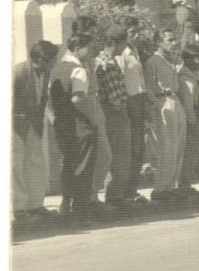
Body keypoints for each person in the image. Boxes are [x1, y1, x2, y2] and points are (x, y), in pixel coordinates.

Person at [50, 33, 101, 216]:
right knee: (84, 166)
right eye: (89, 47)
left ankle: (66, 203)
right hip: (80, 126)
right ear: (78, 48)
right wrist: (91, 120)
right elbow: (78, 98)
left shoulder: (56, 69)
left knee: (68, 164)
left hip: (63, 124)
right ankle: (80, 208)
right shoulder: (78, 70)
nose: (92, 51)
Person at [12, 40, 59, 220]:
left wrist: (51, 118)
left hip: (34, 124)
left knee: (36, 165)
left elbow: (42, 99)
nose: (55, 62)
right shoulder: (18, 72)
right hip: (15, 125)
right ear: (43, 59)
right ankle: (18, 208)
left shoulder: (45, 73)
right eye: (53, 59)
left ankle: (35, 205)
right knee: (16, 165)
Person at [144, 28, 187, 202]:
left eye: (174, 39)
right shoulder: (153, 62)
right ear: (159, 42)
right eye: (169, 40)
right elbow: (148, 87)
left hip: (174, 101)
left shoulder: (171, 61)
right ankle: (160, 188)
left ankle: (170, 186)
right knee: (166, 147)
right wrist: (155, 106)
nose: (174, 43)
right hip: (163, 102)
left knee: (177, 146)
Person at [94, 25, 134, 207]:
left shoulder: (101, 60)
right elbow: (115, 95)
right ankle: (115, 195)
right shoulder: (108, 63)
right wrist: (123, 110)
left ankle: (113, 193)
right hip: (113, 112)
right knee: (120, 155)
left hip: (107, 111)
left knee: (114, 154)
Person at [117, 22, 149, 204]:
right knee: (128, 147)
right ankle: (123, 191)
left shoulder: (134, 51)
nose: (135, 36)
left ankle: (132, 189)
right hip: (129, 101)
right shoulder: (121, 54)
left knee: (138, 147)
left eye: (137, 32)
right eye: (131, 32)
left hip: (138, 100)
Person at [177, 45, 199, 197]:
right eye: (197, 58)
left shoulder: (192, 75)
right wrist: (193, 122)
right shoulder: (186, 79)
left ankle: (185, 183)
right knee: (188, 152)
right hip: (190, 120)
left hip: (193, 116)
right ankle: (183, 184)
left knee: (191, 153)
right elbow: (188, 104)